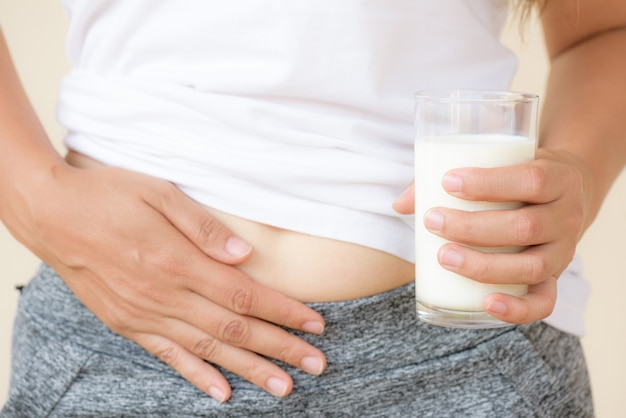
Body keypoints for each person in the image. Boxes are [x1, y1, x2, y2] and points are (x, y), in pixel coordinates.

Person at [1, 0, 624, 416]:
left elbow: (603, 30)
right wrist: (34, 198)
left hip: (467, 355)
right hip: (132, 343)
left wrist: (581, 174)